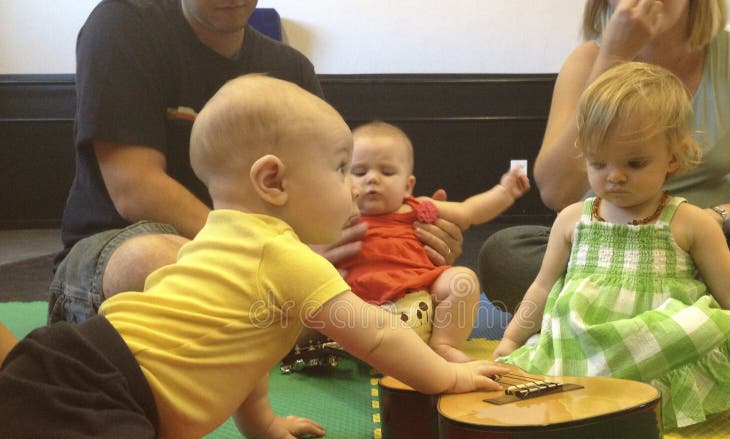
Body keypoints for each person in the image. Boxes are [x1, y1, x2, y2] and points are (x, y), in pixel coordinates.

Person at [0, 75, 508, 439]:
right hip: (94, 386)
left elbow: (247, 349)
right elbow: (377, 336)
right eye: (339, 170)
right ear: (273, 181)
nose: (353, 188)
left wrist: (261, 424)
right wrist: (449, 376)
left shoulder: (220, 239)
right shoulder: (287, 258)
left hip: (72, 370)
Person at [48, 0, 462, 325]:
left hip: (266, 266)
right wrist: (275, 258)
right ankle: (296, 321)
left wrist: (410, 230)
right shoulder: (123, 24)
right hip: (118, 248)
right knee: (158, 260)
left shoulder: (291, 69)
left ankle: (290, 321)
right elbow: (136, 189)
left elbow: (323, 194)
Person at [494, 62, 730, 430]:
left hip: (659, 342)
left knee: (720, 327)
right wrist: (510, 341)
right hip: (583, 343)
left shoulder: (691, 221)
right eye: (598, 162)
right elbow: (542, 286)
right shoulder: (573, 219)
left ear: (673, 157)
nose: (615, 176)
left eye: (635, 163)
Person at [479, 0, 730, 329]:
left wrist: (714, 220)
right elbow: (556, 193)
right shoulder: (587, 61)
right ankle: (726, 315)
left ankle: (619, 317)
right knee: (504, 254)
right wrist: (612, 55)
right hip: (605, 253)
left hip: (713, 249)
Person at [340, 121, 531, 362]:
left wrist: (505, 192)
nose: (372, 179)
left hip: (418, 300)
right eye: (359, 172)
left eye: (386, 172)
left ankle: (443, 344)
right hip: (357, 307)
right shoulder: (340, 214)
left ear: (408, 185)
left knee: (462, 279)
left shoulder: (419, 208)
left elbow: (468, 211)